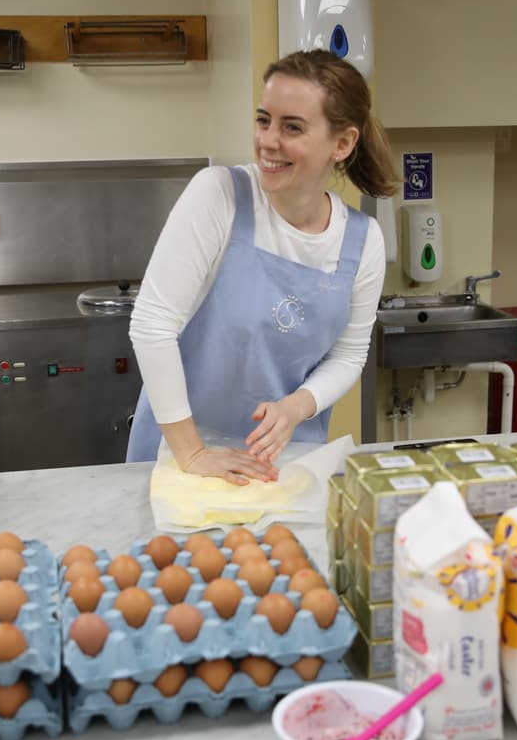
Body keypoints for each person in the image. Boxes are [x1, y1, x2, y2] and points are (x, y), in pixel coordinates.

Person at [126, 49, 398, 484]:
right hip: (179, 458)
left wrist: (297, 406)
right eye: (263, 120)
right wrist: (193, 454)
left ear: (343, 143)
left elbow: (349, 355)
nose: (268, 141)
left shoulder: (362, 242)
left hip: (282, 464)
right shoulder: (221, 196)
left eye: (292, 127)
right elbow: (152, 325)